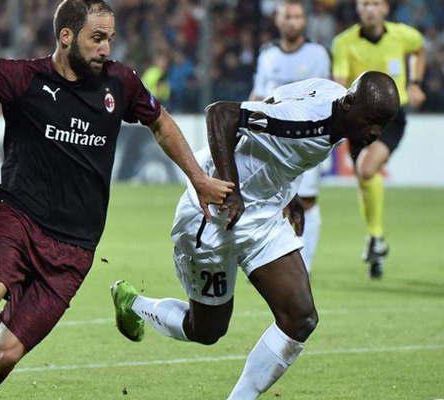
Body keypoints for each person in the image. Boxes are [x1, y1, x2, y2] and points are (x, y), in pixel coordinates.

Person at [0, 1, 234, 399]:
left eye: (110, 39)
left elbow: (161, 122)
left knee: (3, 355)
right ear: (66, 36)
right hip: (17, 218)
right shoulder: (22, 78)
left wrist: (199, 178)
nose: (105, 49)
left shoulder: (121, 83)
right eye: (97, 38)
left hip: (74, 248)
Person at [112, 71, 400, 399]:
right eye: (371, 120)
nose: (375, 132)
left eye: (383, 123)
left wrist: (285, 193)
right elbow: (221, 113)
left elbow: (273, 114)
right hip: (213, 216)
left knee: (300, 319)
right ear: (350, 103)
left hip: (262, 216)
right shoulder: (304, 122)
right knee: (206, 330)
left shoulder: (331, 98)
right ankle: (133, 303)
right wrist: (231, 186)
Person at [332, 0, 426, 278]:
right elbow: (339, 81)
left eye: (375, 3)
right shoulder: (343, 42)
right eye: (364, 4)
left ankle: (375, 236)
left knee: (366, 168)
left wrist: (416, 84)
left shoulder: (403, 34)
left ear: (385, 8)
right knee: (365, 176)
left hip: (393, 116)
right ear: (358, 9)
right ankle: (376, 239)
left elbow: (419, 50)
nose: (369, 8)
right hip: (359, 120)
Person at [249, 0, 331, 273]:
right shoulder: (267, 54)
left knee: (305, 200)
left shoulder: (317, 54)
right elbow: (258, 94)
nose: (292, 21)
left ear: (304, 21)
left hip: (305, 141)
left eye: (297, 16)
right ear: (278, 20)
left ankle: (304, 266)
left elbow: (329, 96)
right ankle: (275, 263)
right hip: (270, 142)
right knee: (275, 201)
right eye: (287, 16)